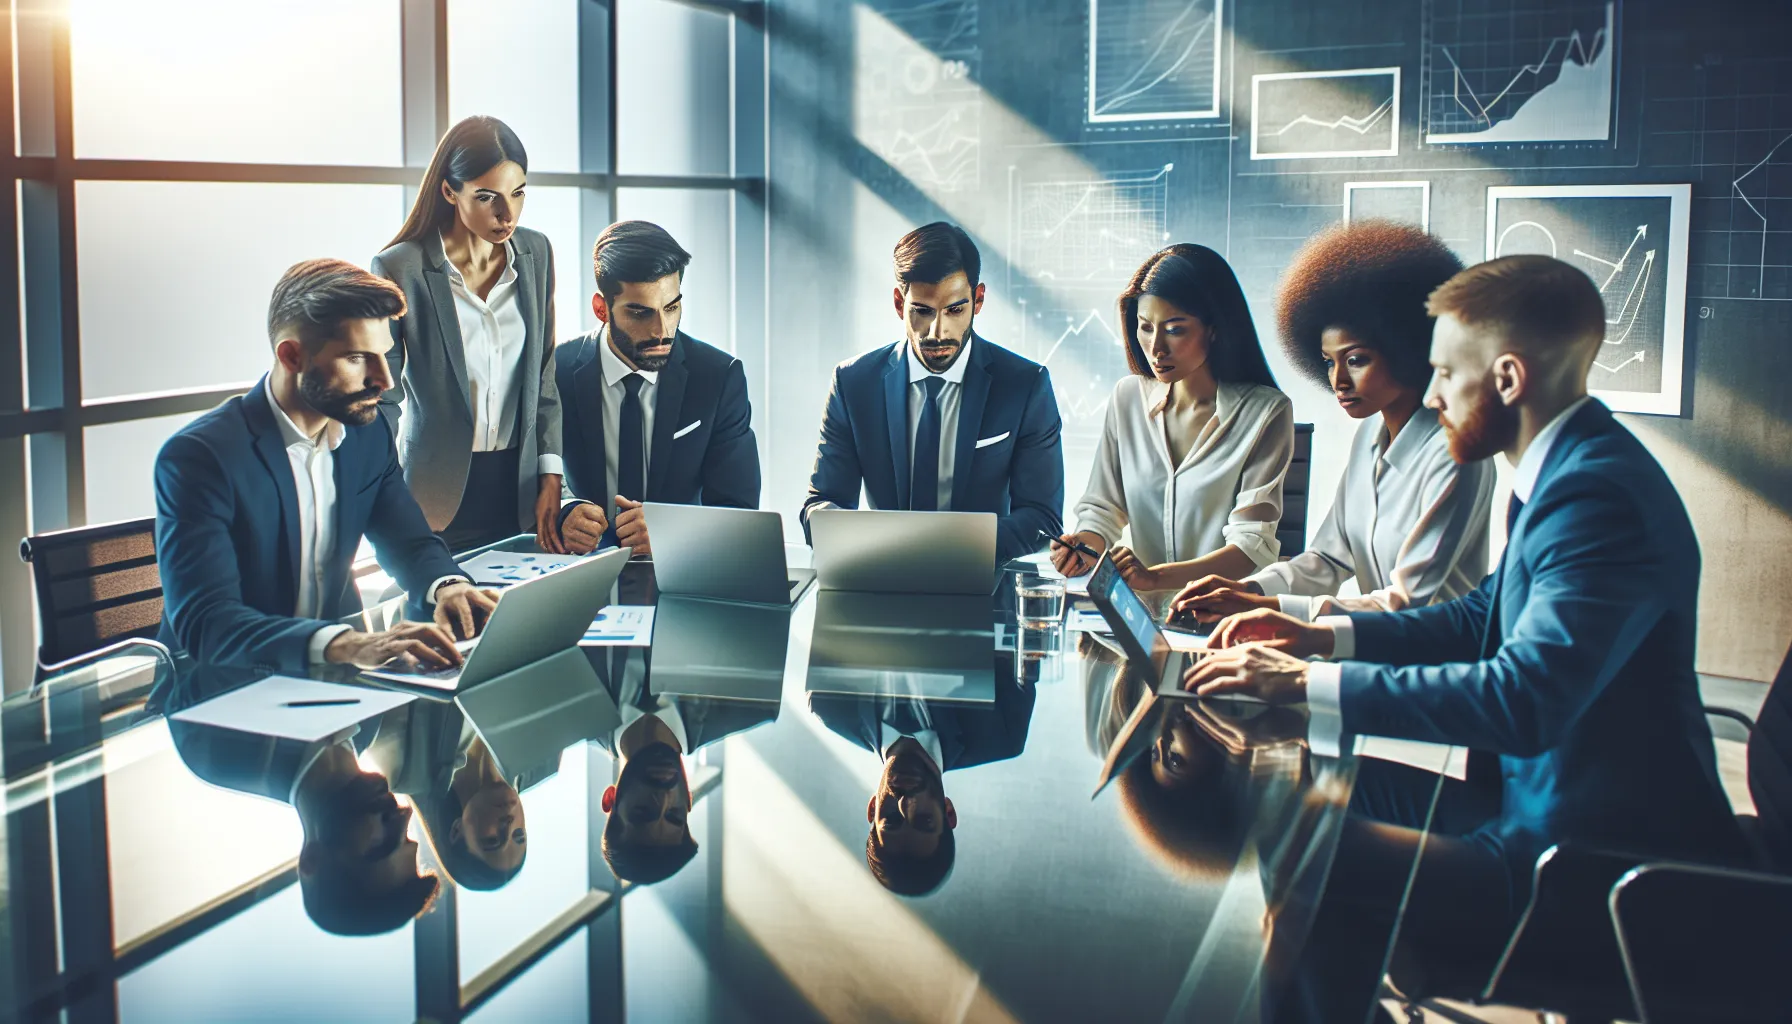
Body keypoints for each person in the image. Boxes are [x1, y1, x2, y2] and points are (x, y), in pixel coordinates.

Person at [1180, 255, 1746, 1021]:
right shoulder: (1566, 467)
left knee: (1319, 858)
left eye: (1445, 373)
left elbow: (1523, 700)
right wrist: (1314, 639)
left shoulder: (1594, 494)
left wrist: (1297, 681)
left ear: (1508, 379)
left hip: (1594, 862)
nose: (1433, 393)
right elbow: (1478, 619)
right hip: (1536, 804)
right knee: (1305, 795)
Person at [155, 259, 495, 675]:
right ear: (292, 355)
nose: (385, 380)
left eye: (384, 356)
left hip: (334, 687)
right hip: (221, 690)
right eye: (357, 358)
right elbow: (207, 623)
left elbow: (408, 542)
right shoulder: (201, 458)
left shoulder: (366, 436)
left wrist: (448, 585)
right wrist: (345, 644)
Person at [1169, 221, 1494, 623]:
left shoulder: (1457, 452)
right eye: (1328, 362)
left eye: (1356, 360)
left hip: (1440, 670)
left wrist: (1267, 606)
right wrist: (1246, 589)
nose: (1337, 380)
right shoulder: (1368, 440)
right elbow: (1326, 559)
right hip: (1372, 653)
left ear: (1409, 347)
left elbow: (1407, 602)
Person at [803, 222, 1064, 563]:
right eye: (922, 311)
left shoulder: (1025, 385)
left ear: (978, 299)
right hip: (881, 583)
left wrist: (943, 550)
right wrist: (843, 528)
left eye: (955, 310)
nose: (937, 332)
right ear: (900, 304)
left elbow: (1042, 518)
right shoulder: (854, 383)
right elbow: (821, 503)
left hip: (983, 589)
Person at [372, 115, 565, 554]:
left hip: (521, 493)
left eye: (518, 194)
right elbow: (383, 397)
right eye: (487, 197)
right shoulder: (401, 268)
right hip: (433, 499)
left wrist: (551, 475)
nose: (507, 214)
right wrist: (379, 493)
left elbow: (544, 379)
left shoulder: (537, 253)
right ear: (448, 192)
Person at [1050, 244, 1293, 594]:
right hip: (1137, 623)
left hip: (1222, 620)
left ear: (1214, 327)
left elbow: (1252, 546)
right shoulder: (1127, 398)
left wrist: (1157, 578)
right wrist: (1082, 549)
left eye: (1175, 329)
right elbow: (1102, 510)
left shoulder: (1265, 412)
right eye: (1145, 327)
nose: (1156, 347)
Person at [159, 675, 438, 937]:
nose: (404, 815)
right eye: (407, 836)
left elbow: (198, 627)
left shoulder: (218, 754)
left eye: (384, 844)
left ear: (311, 860)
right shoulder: (370, 721)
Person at [554, 220, 761, 555]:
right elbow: (527, 477)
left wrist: (672, 531)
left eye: (671, 307)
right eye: (640, 313)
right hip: (578, 572)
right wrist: (563, 511)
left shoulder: (719, 377)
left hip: (682, 570)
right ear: (601, 308)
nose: (662, 331)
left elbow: (738, 508)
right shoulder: (554, 371)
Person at [809, 667, 1038, 896]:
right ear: (948, 812)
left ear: (872, 808)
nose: (904, 802)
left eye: (891, 820)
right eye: (924, 819)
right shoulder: (1004, 732)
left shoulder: (828, 703)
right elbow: (1025, 639)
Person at [595, 646, 779, 885]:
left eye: (643, 811)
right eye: (674, 814)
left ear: (610, 798)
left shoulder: (571, 696)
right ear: (689, 800)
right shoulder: (752, 702)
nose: (662, 798)